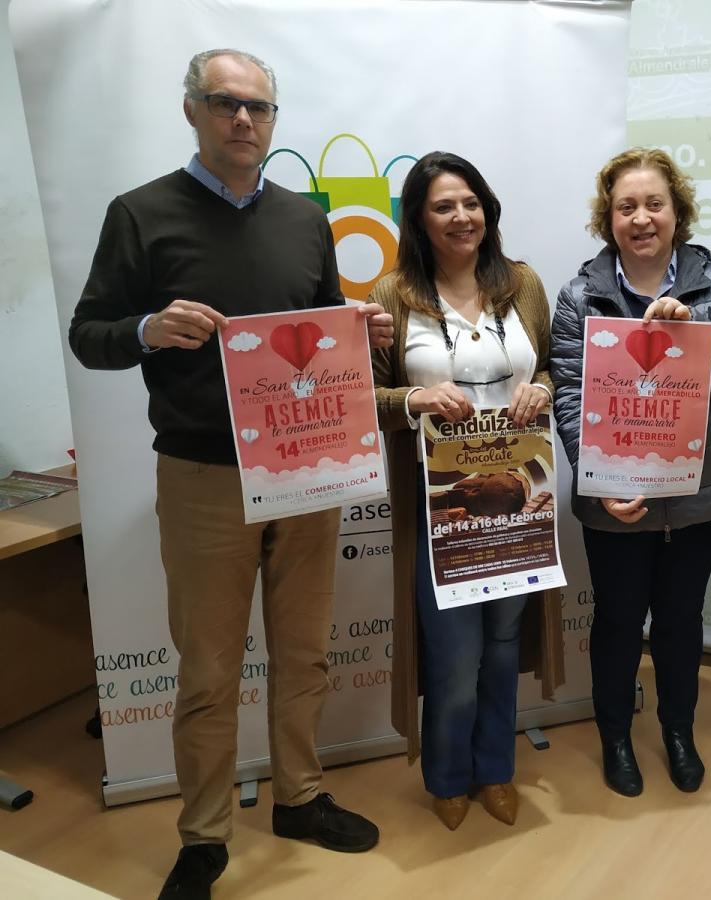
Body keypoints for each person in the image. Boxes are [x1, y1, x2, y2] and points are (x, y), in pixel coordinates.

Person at [69, 49, 393, 900]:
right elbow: (88, 334)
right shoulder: (140, 214)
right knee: (209, 667)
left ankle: (301, 796)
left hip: (308, 471)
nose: (243, 120)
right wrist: (146, 327)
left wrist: (360, 328)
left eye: (259, 108)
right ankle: (205, 836)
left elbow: (322, 330)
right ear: (192, 111)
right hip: (204, 475)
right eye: (224, 103)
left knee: (304, 650)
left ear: (275, 120)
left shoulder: (303, 219)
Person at [551, 148, 711, 797]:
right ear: (607, 217)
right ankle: (615, 736)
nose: (641, 218)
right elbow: (568, 393)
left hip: (697, 498)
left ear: (677, 212)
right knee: (617, 621)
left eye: (654, 204)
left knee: (680, 621)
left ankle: (678, 730)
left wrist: (692, 326)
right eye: (626, 207)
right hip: (616, 500)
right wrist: (598, 475)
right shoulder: (579, 294)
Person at [370, 151, 564, 831]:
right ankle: (449, 775)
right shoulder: (393, 294)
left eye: (471, 202)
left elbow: (558, 370)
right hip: (443, 504)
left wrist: (544, 387)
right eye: (444, 206)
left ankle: (496, 769)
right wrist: (415, 396)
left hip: (516, 499)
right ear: (419, 220)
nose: (462, 217)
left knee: (505, 643)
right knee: (455, 655)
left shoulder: (522, 282)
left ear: (488, 210)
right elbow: (364, 397)